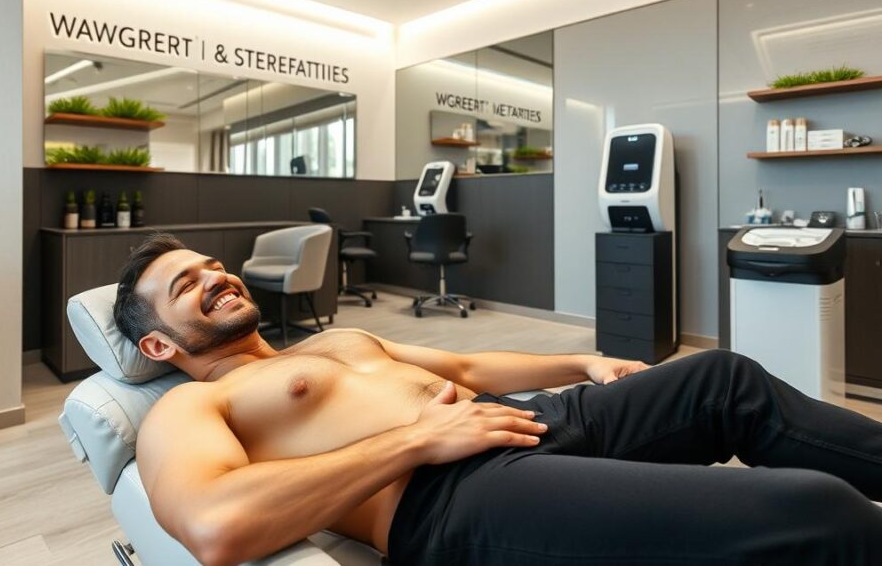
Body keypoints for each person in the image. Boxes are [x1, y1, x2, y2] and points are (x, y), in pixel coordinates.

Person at [114, 233, 882, 566]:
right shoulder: (186, 409)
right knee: (816, 514)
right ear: (157, 346)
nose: (216, 275)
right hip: (451, 496)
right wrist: (418, 442)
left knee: (724, 378)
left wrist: (582, 358)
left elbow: (466, 360)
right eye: (188, 283)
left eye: (214, 266)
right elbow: (217, 526)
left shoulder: (332, 342)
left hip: (527, 423)